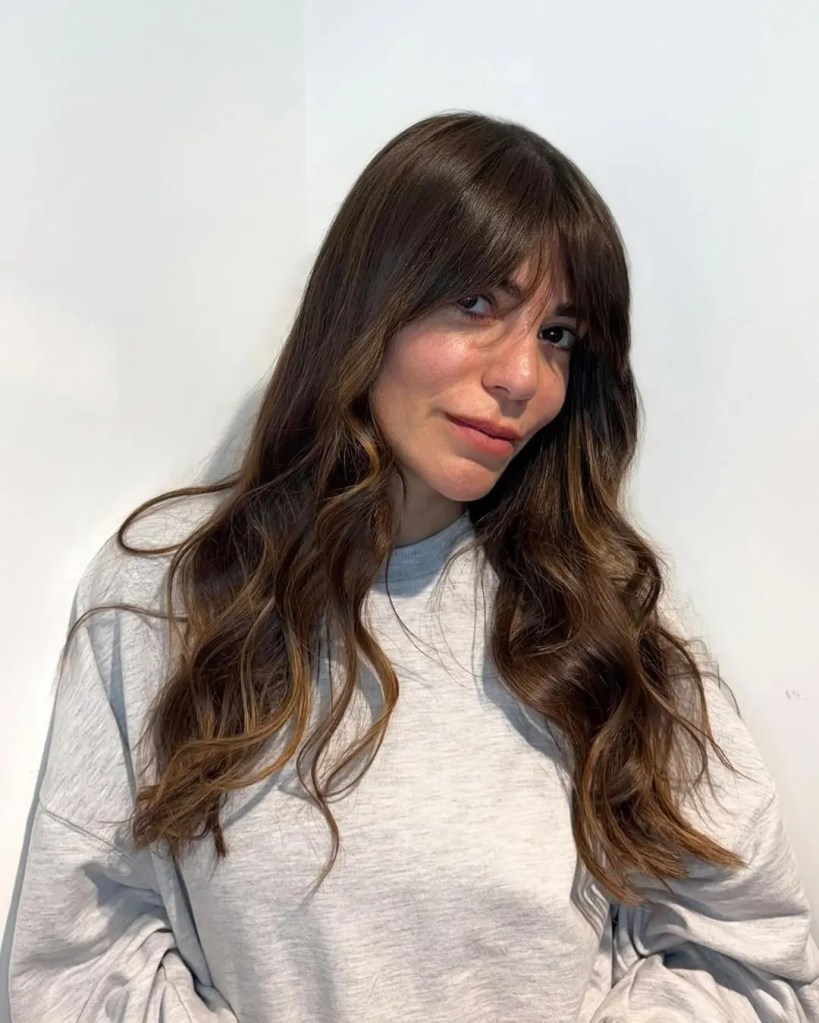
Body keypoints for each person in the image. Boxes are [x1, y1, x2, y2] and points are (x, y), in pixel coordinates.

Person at [8, 110, 819, 1022]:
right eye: (476, 304)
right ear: (368, 303)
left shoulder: (602, 617)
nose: (523, 377)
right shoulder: (166, 594)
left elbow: (753, 965)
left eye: (558, 334)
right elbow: (75, 963)